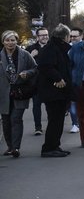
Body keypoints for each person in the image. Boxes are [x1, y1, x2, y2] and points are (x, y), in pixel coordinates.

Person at [35, 24, 73, 158]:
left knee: (57, 120)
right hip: (54, 92)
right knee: (55, 121)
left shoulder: (54, 47)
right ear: (65, 37)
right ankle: (49, 148)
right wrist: (58, 78)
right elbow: (45, 66)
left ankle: (54, 145)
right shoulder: (52, 48)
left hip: (57, 92)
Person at [1, 31, 38, 159]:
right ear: (3, 42)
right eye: (7, 40)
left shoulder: (25, 54)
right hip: (3, 93)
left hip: (20, 91)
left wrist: (27, 73)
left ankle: (16, 147)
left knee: (15, 119)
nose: (10, 43)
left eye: (13, 40)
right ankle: (10, 146)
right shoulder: (0, 56)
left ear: (17, 41)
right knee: (5, 121)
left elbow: (35, 68)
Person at [26, 27, 48, 135]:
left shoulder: (52, 47)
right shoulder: (31, 48)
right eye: (42, 35)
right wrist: (31, 56)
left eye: (46, 34)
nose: (45, 37)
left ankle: (51, 127)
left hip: (50, 82)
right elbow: (24, 64)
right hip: (36, 83)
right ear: (37, 37)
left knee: (51, 106)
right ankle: (38, 127)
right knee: (36, 106)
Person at [67, 28, 82, 133]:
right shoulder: (67, 48)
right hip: (71, 80)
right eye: (71, 36)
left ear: (81, 36)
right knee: (72, 103)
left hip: (83, 80)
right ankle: (75, 123)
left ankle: (81, 121)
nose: (72, 38)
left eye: (75, 36)